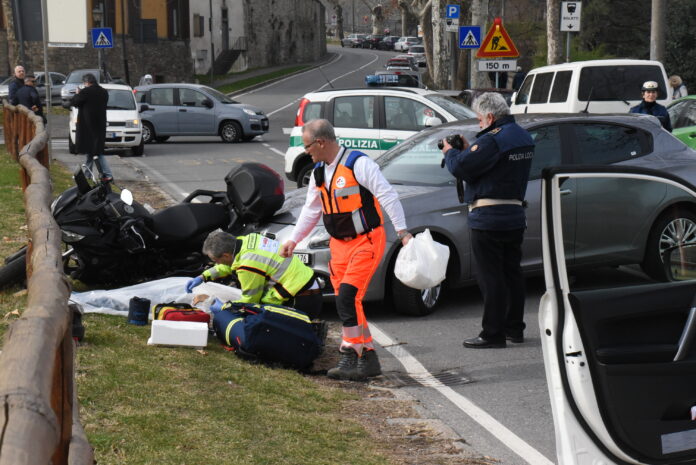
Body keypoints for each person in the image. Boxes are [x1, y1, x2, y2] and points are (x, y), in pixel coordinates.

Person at [279, 118, 412, 380]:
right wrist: (293, 240)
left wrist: (402, 231)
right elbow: (311, 210)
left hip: (366, 241)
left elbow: (387, 195)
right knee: (350, 303)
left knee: (347, 298)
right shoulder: (319, 172)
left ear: (321, 142)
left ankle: (350, 354)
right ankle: (365, 358)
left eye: (307, 146)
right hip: (338, 246)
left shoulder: (358, 164)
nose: (306, 152)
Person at [440, 92, 534, 349]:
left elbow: (461, 168)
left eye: (480, 120)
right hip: (514, 214)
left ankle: (493, 333)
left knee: (490, 276)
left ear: (490, 117)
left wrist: (450, 152)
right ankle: (515, 328)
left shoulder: (493, 141)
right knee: (512, 274)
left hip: (488, 216)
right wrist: (472, 147)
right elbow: (494, 164)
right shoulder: (522, 136)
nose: (479, 124)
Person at [186, 230, 323, 320]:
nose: (215, 263)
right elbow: (231, 264)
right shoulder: (246, 240)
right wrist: (204, 276)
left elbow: (250, 301)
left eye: (216, 260)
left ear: (226, 255)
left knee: (262, 321)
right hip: (306, 285)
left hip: (301, 298)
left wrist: (223, 307)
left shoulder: (248, 266)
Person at [70, 73, 113, 182]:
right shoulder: (103, 92)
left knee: (97, 152)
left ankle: (107, 174)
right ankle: (87, 174)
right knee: (92, 150)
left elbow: (75, 102)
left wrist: (77, 93)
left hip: (88, 126)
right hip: (100, 125)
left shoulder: (86, 92)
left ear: (86, 82)